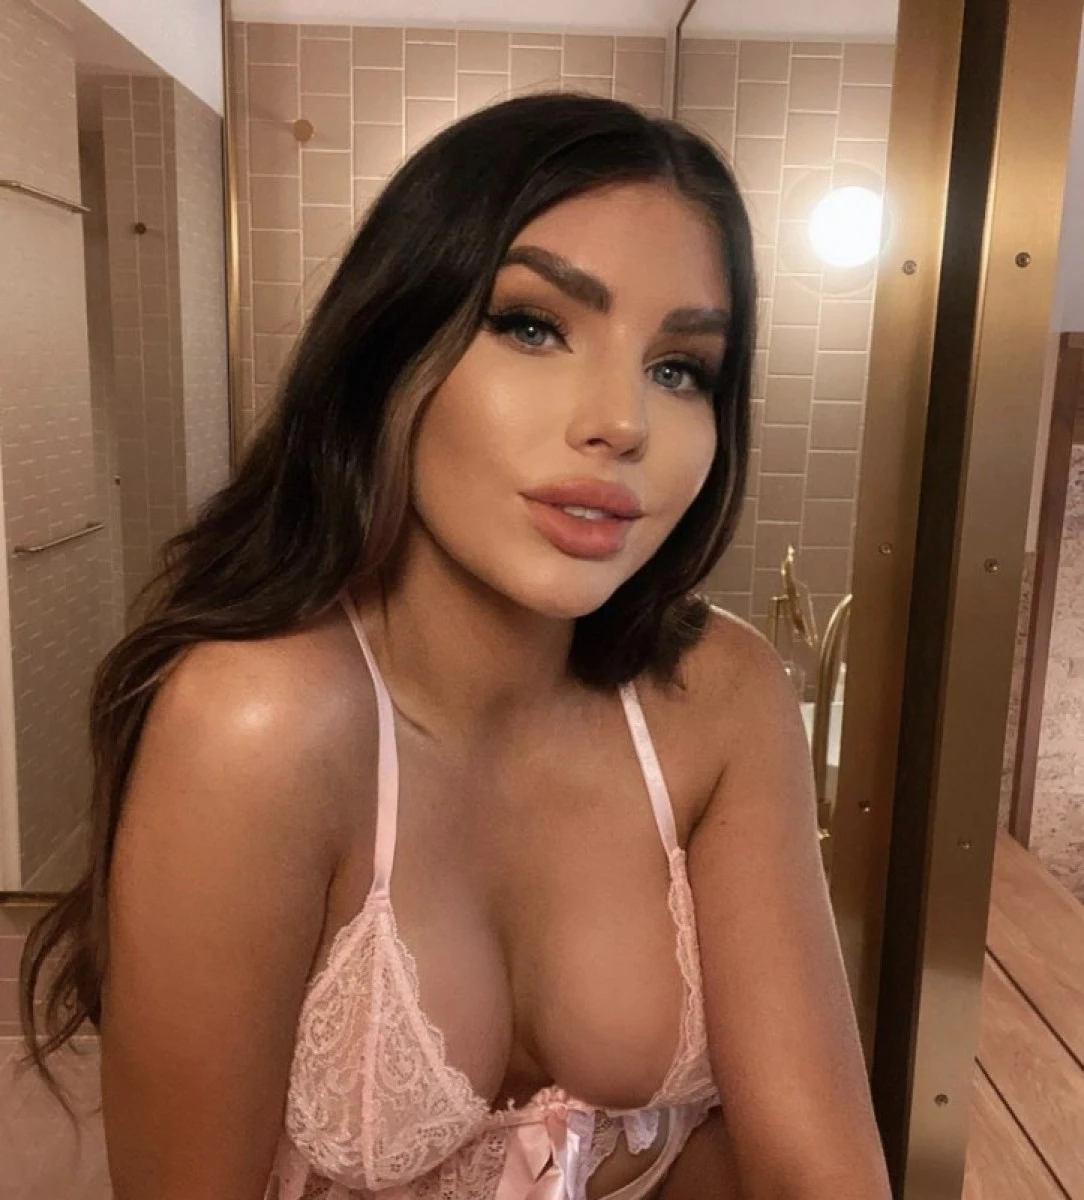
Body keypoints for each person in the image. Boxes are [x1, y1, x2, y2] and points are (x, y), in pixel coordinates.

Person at [21, 93, 891, 1200]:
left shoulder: (718, 692)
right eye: (532, 325)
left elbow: (821, 1168)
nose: (622, 420)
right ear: (389, 350)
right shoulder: (259, 722)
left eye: (680, 368)